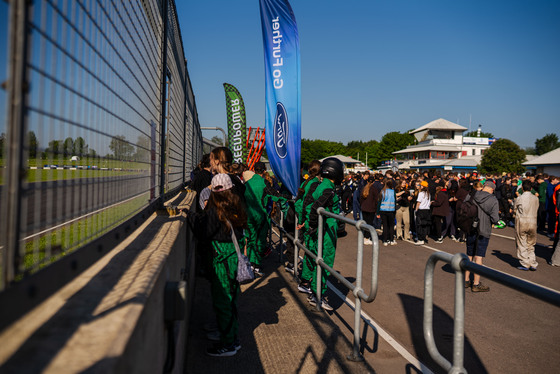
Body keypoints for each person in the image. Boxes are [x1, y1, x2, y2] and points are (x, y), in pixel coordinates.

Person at [185, 173, 247, 356]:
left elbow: (203, 231)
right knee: (231, 299)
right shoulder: (236, 206)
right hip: (233, 258)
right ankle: (231, 336)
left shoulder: (216, 211)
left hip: (222, 260)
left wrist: (189, 216)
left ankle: (228, 344)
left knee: (223, 301)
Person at [306, 157, 345, 311]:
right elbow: (316, 207)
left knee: (319, 261)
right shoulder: (328, 189)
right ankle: (318, 295)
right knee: (325, 262)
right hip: (326, 232)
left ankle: (315, 293)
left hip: (323, 230)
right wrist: (314, 226)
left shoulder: (322, 185)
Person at [463, 181, 500, 292]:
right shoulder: (493, 200)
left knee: (469, 254)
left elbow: (464, 208)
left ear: (484, 187)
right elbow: (495, 219)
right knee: (479, 256)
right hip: (483, 230)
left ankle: (465, 280)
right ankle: (476, 283)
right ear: (492, 189)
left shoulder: (471, 195)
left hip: (470, 228)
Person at [295, 160, 322, 294]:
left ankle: (305, 281)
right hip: (310, 223)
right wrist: (306, 221)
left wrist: (301, 220)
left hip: (304, 221)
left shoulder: (305, 183)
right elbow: (307, 204)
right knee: (312, 253)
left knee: (309, 252)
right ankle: (305, 282)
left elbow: (299, 203)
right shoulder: (315, 184)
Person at [514, 180, 539, 271]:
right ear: (531, 188)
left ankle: (525, 263)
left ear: (522, 188)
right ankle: (532, 262)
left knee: (521, 242)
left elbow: (515, 209)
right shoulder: (535, 198)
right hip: (533, 221)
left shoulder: (519, 198)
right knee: (531, 243)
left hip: (522, 221)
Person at [377, 179, 397, 246]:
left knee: (385, 225)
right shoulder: (393, 192)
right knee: (391, 225)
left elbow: (379, 202)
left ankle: (385, 240)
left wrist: (377, 212)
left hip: (383, 210)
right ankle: (391, 239)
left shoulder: (382, 191)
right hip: (391, 210)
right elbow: (395, 201)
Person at [360, 177, 379, 245]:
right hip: (371, 209)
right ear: (373, 182)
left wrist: (362, 205)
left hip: (364, 208)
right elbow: (376, 200)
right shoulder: (374, 189)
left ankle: (364, 236)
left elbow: (361, 199)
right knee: (369, 223)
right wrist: (377, 209)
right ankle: (367, 238)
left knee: (365, 223)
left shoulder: (364, 188)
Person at [415, 180, 431, 245]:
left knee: (419, 225)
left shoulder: (421, 193)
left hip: (421, 210)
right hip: (427, 211)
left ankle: (420, 239)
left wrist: (416, 210)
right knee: (424, 225)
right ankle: (423, 238)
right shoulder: (428, 193)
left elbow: (418, 203)